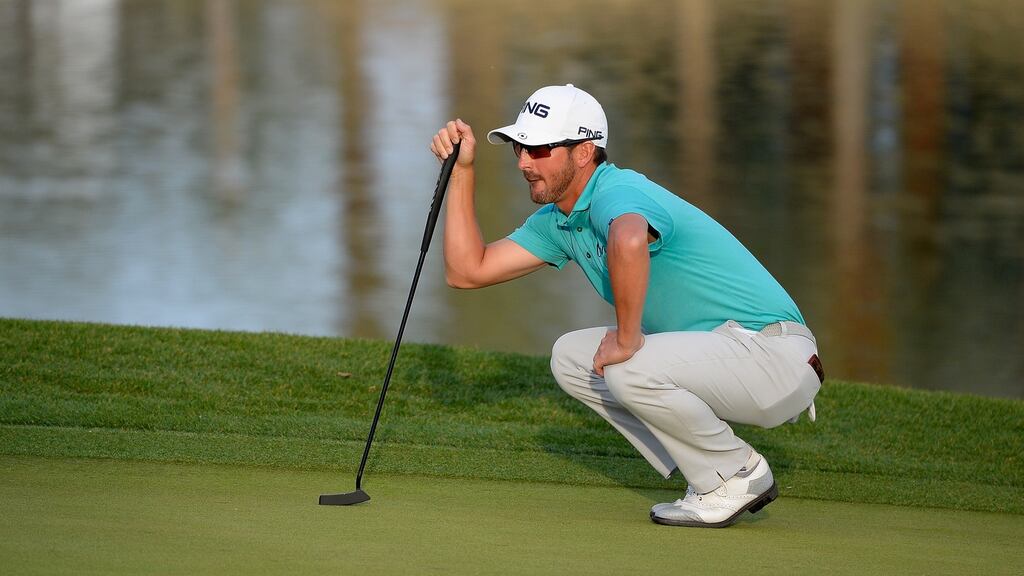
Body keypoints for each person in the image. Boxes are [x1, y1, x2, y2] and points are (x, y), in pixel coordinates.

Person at [429, 84, 824, 528]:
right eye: (520, 147)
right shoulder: (562, 220)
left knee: (627, 361)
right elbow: (467, 271)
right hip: (731, 354)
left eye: (539, 149)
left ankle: (735, 474)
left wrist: (628, 337)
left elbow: (630, 237)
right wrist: (462, 172)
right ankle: (705, 470)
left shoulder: (616, 191)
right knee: (572, 358)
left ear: (583, 152)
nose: (523, 162)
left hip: (775, 355)